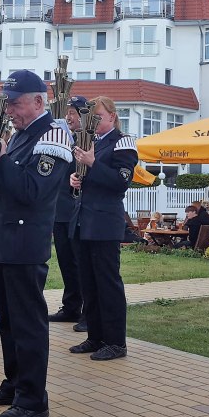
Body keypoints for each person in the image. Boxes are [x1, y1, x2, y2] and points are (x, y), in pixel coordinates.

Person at [0, 70, 72, 417]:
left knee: (27, 323)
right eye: (8, 103)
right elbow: (14, 186)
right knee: (9, 322)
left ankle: (33, 399)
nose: (10, 110)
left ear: (38, 101)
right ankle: (15, 382)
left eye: (15, 103)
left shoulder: (54, 136)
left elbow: (34, 191)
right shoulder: (20, 135)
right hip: (4, 238)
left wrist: (0, 158)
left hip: (25, 241)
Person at [68, 95, 138, 361]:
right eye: (90, 118)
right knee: (89, 284)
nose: (93, 122)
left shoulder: (123, 142)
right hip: (84, 221)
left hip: (105, 222)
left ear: (112, 115)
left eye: (97, 117)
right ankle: (95, 336)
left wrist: (92, 163)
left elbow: (120, 182)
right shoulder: (91, 142)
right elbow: (91, 181)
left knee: (108, 284)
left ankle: (116, 342)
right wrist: (76, 179)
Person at [49, 95, 87, 331]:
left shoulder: (86, 141)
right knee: (66, 262)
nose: (69, 117)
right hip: (60, 209)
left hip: (78, 211)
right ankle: (71, 306)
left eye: (74, 113)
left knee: (80, 263)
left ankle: (86, 312)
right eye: (68, 112)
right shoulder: (62, 139)